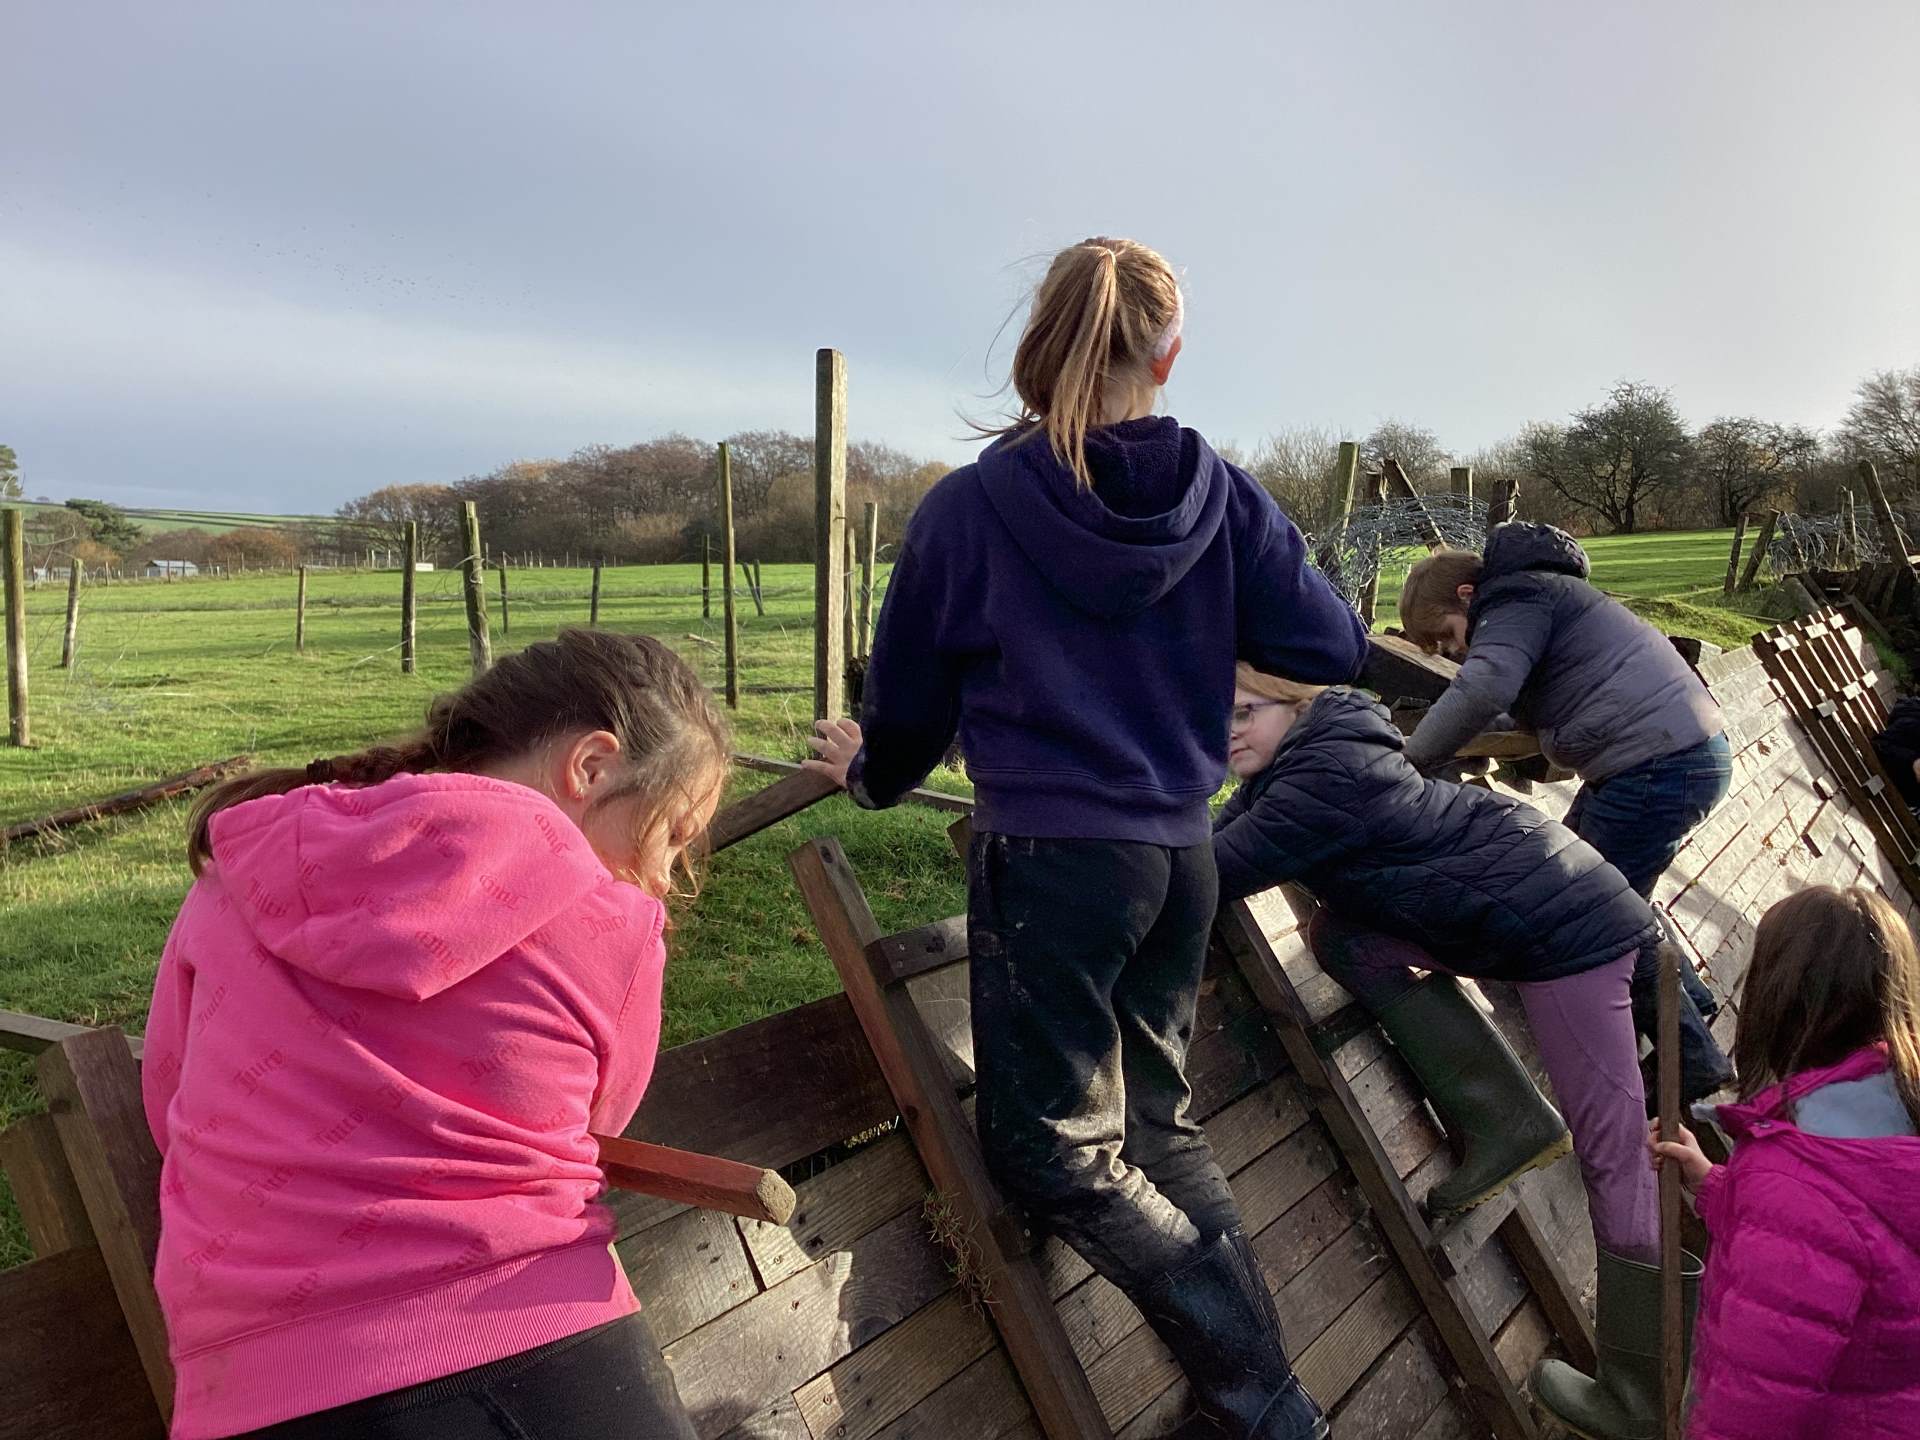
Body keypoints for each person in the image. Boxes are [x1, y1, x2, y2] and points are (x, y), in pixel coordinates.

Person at [806, 237, 1368, 1440]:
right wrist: (1205, 633)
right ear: (1168, 356)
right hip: (1181, 855)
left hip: (1056, 857)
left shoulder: (969, 509)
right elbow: (1330, 645)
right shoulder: (1225, 496)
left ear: (1038, 345)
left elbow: (907, 707)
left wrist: (870, 774)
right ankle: (1250, 1403)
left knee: (1049, 1153)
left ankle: (1266, 1404)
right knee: (1157, 1126)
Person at [140, 630, 729, 1440]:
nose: (663, 876)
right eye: (673, 835)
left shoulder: (238, 878)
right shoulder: (612, 922)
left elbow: (168, 1100)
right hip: (538, 1341)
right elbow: (599, 1124)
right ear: (592, 766)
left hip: (248, 1383)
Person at [1214, 666, 1698, 1440]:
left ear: (1295, 703)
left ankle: (1643, 1394)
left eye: (1244, 711)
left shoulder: (1319, 783)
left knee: (1614, 1158)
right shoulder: (1307, 758)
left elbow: (1206, 874)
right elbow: (1216, 837)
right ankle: (1506, 1119)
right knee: (1345, 937)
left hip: (1567, 934)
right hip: (1527, 904)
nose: (1226, 730)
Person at [1395, 526, 1736, 1111]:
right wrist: (1446, 738)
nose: (1452, 653)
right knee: (1590, 880)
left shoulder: (1514, 600)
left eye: (1447, 635)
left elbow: (1483, 689)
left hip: (1657, 765)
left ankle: (1692, 1058)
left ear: (1467, 595)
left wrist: (1411, 760)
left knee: (1594, 908)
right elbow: (1516, 714)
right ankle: (1689, 1002)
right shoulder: (1537, 600)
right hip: (1670, 756)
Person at [1650, 885, 1920, 1440]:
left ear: (1783, 1002)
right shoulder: (1895, 1109)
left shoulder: (1798, 1183)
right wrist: (1716, 1184)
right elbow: (1858, 1238)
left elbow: (1751, 1410)